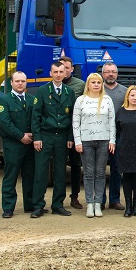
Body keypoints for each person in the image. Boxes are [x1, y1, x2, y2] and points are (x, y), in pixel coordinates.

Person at [30, 61, 75, 218]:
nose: (58, 75)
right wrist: (37, 137)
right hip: (45, 136)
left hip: (62, 137)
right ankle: (38, 205)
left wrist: (70, 137)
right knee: (41, 172)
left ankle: (58, 205)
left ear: (65, 73)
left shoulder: (69, 92)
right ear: (50, 73)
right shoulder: (42, 91)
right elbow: (36, 115)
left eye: (61, 72)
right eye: (55, 72)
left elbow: (72, 117)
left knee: (60, 172)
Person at [72, 73, 116, 218]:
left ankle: (98, 203)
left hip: (103, 140)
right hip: (86, 141)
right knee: (89, 173)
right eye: (93, 82)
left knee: (101, 172)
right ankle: (89, 204)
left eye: (98, 82)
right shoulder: (81, 100)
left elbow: (111, 121)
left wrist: (112, 140)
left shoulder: (107, 100)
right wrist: (78, 141)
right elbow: (75, 122)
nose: (96, 85)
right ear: (88, 84)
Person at [0, 71, 35, 218]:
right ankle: (8, 207)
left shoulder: (32, 100)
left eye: (23, 81)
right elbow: (5, 123)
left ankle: (30, 205)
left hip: (30, 144)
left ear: (26, 83)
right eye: (17, 81)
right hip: (13, 144)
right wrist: (21, 136)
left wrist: (32, 135)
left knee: (30, 175)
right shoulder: (4, 100)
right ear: (11, 82)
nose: (20, 84)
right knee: (10, 176)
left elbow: (37, 119)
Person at [115, 86, 136, 217]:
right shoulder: (120, 111)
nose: (135, 98)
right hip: (125, 148)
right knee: (127, 177)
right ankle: (128, 206)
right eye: (132, 95)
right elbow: (118, 130)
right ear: (127, 97)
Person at [59, 56, 85, 210]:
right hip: (59, 131)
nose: (64, 71)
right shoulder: (52, 86)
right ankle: (59, 198)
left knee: (76, 164)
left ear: (72, 69)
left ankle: (74, 196)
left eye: (67, 68)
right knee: (59, 165)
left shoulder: (80, 85)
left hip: (76, 131)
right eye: (61, 68)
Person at [102, 62, 128, 210]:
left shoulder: (124, 92)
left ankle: (114, 199)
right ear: (103, 74)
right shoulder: (97, 90)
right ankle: (100, 200)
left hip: (119, 135)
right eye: (107, 72)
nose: (110, 74)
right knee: (100, 169)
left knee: (117, 168)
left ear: (117, 74)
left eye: (113, 72)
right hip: (100, 134)